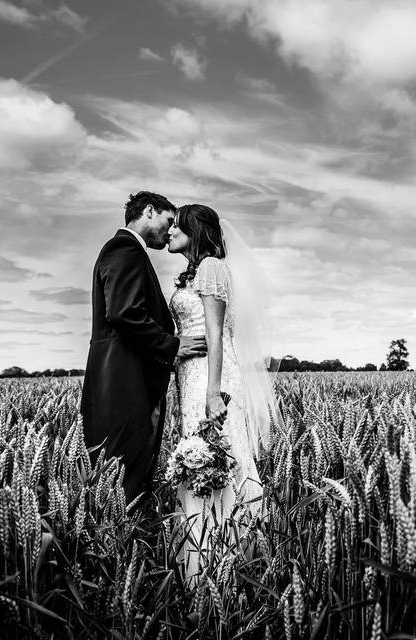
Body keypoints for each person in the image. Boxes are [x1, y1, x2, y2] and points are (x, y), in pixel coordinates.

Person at [166, 203, 280, 577]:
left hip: (211, 375)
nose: (169, 231)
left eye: (177, 227)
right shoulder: (193, 273)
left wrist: (213, 392)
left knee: (218, 455)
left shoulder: (213, 267)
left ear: (194, 231)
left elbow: (216, 333)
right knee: (198, 460)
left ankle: (221, 567)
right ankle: (205, 566)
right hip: (191, 374)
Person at [81, 192, 207, 506]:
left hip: (123, 382)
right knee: (124, 474)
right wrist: (172, 346)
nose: (171, 231)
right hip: (123, 385)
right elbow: (124, 313)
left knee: (125, 474)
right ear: (149, 211)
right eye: (168, 220)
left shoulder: (127, 251)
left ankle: (126, 537)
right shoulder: (125, 248)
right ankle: (120, 543)